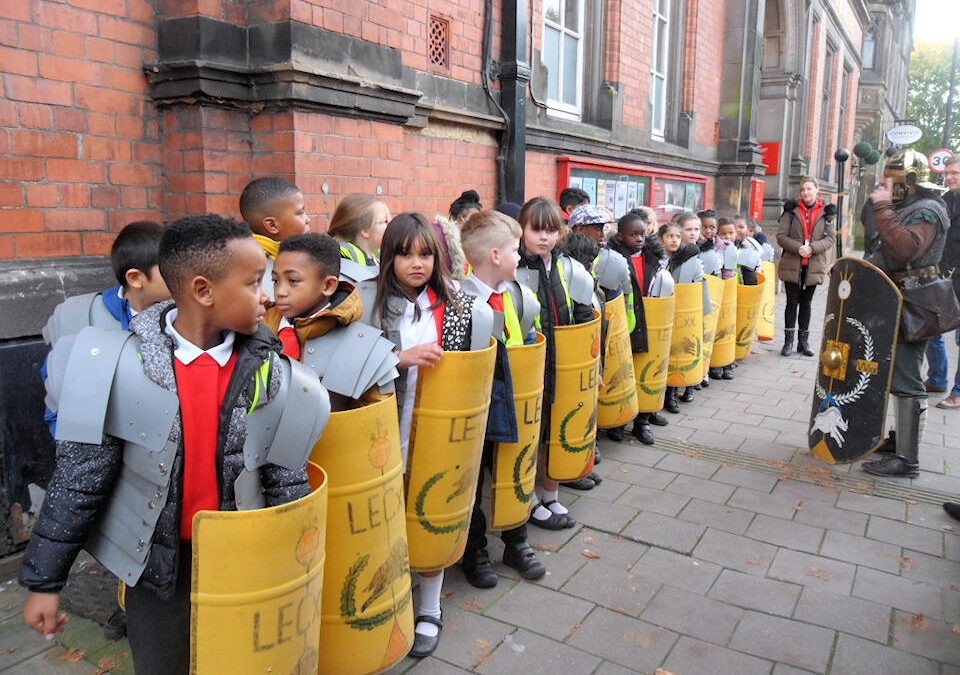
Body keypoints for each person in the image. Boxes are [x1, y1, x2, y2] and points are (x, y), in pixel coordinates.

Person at [22, 215, 326, 675]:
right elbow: (78, 481)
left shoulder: (279, 375)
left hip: (244, 561)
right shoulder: (117, 365)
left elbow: (287, 482)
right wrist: (45, 581)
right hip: (156, 570)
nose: (268, 295)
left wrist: (296, 570)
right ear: (204, 291)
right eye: (253, 282)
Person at [39, 219, 170, 641]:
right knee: (117, 532)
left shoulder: (186, 317)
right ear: (136, 278)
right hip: (97, 447)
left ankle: (144, 608)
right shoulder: (80, 317)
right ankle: (125, 605)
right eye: (172, 271)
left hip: (159, 450)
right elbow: (57, 383)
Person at [373, 212, 488, 658]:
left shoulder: (458, 303)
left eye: (425, 254)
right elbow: (354, 364)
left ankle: (430, 606)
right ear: (389, 257)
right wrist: (399, 359)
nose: (416, 263)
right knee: (390, 511)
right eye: (404, 254)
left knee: (433, 508)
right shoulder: (372, 302)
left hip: (442, 428)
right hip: (389, 425)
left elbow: (474, 366)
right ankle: (393, 592)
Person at [458, 209, 547, 588]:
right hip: (477, 406)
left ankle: (516, 540)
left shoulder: (513, 294)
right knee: (474, 478)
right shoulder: (459, 299)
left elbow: (524, 339)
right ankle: (473, 548)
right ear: (495, 255)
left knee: (514, 471)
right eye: (514, 249)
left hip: (512, 401)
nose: (520, 256)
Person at [860, 150, 950, 477]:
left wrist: (883, 207)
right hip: (899, 299)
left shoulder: (928, 209)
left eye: (893, 179)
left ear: (909, 180)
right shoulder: (907, 207)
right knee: (895, 372)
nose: (888, 185)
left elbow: (907, 248)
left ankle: (907, 460)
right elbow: (883, 250)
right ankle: (899, 441)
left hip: (917, 304)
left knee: (907, 376)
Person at [516, 197, 595, 528]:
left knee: (555, 431)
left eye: (551, 230)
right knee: (531, 435)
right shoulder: (514, 268)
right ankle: (528, 500)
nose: (544, 237)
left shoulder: (569, 267)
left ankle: (551, 494)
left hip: (563, 366)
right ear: (522, 230)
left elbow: (585, 319)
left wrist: (594, 369)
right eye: (536, 230)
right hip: (530, 369)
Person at [263, 232, 398, 410]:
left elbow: (375, 427)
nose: (280, 291)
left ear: (328, 285)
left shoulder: (365, 348)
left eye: (293, 281)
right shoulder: (257, 327)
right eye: (275, 280)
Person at [606, 209, 670, 444]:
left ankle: (642, 422)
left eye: (642, 234)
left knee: (645, 372)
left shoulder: (654, 257)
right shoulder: (614, 259)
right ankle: (619, 420)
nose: (640, 239)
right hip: (627, 324)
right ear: (621, 236)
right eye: (634, 235)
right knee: (623, 372)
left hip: (650, 323)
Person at [776, 176, 836, 357]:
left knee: (807, 303)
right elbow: (781, 236)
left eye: (809, 189)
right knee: (791, 302)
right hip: (793, 263)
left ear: (817, 190)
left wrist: (812, 248)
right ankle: (788, 342)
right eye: (803, 190)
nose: (805, 193)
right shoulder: (790, 211)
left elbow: (830, 238)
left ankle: (803, 342)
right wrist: (798, 248)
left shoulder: (827, 213)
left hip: (814, 264)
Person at [239, 177, 311, 298]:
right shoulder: (252, 271)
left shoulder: (301, 257)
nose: (307, 219)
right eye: (300, 213)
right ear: (272, 225)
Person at [926, 154, 960, 408]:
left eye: (955, 174)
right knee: (931, 326)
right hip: (943, 273)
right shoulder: (946, 200)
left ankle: (958, 392)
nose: (949, 178)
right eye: (947, 173)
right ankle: (937, 378)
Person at [660, 219, 704, 412]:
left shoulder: (688, 260)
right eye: (670, 236)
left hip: (681, 313)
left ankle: (671, 394)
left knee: (677, 352)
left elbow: (699, 288)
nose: (675, 240)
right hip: (661, 312)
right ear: (661, 239)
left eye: (678, 237)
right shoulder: (657, 259)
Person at [327, 193, 391, 266]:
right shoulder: (342, 262)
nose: (390, 226)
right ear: (365, 230)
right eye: (385, 221)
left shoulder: (380, 256)